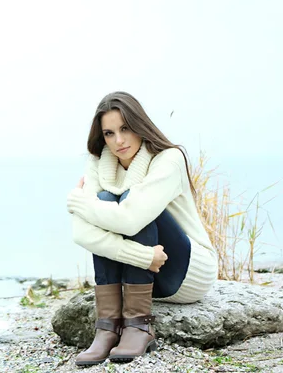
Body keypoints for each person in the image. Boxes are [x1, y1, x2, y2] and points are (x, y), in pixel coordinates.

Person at [66, 91, 218, 365]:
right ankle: (108, 327)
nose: (119, 140)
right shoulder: (99, 163)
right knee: (104, 201)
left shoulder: (168, 159)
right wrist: (142, 257)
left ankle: (139, 326)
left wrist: (79, 203)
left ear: (139, 124)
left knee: (124, 203)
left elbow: (132, 220)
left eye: (125, 128)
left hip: (187, 271)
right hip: (147, 266)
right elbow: (81, 234)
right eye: (109, 133)